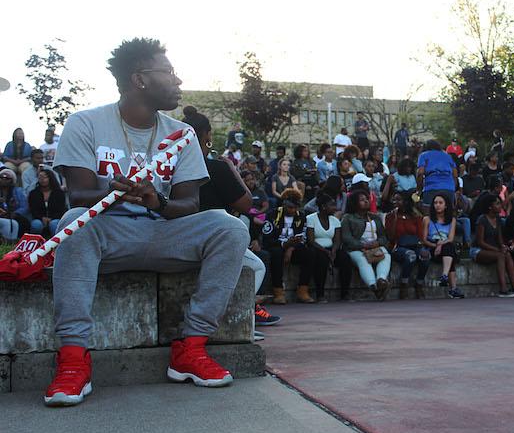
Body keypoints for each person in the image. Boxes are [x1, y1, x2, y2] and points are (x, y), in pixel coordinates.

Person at [46, 38, 250, 406]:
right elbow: (78, 194)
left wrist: (158, 200)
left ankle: (190, 348)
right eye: (169, 72)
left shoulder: (182, 133)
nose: (178, 81)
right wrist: (118, 191)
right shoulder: (85, 123)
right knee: (73, 221)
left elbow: (189, 203)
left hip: (163, 230)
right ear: (140, 79)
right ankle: (74, 359)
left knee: (231, 227)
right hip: (109, 233)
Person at [182, 107, 279, 329]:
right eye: (208, 139)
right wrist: (232, 169)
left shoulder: (172, 166)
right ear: (206, 137)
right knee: (256, 266)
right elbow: (246, 204)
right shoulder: (215, 167)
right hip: (210, 239)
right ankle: (236, 319)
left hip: (177, 236)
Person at [263, 189, 315, 304]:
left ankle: (303, 290)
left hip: (294, 246)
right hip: (276, 245)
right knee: (276, 254)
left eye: (296, 207)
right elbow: (267, 239)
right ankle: (278, 292)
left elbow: (302, 237)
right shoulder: (272, 214)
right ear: (284, 204)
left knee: (310, 254)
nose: (293, 210)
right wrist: (284, 245)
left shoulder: (301, 217)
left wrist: (290, 248)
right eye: (290, 207)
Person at [341, 190, 392, 300]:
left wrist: (377, 243)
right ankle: (373, 286)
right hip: (356, 249)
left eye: (367, 199)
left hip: (375, 247)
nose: (366, 201)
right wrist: (362, 245)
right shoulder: (348, 218)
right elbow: (346, 238)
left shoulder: (375, 217)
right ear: (355, 203)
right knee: (362, 260)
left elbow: (383, 236)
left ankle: (381, 280)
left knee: (386, 255)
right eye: (362, 200)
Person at [472, 194, 514, 298]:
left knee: (507, 254)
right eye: (497, 204)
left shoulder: (498, 219)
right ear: (490, 207)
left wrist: (503, 247)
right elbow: (480, 242)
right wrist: (498, 250)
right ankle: (503, 289)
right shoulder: (482, 220)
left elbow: (499, 239)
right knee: (500, 255)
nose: (500, 206)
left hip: (493, 249)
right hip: (478, 250)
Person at [306, 193, 352, 302]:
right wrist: (326, 252)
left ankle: (345, 293)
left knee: (345, 259)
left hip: (331, 248)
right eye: (332, 205)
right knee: (321, 260)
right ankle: (320, 294)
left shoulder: (335, 221)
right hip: (317, 248)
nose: (335, 208)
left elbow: (337, 240)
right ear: (323, 207)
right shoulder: (311, 218)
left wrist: (334, 251)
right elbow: (311, 240)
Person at [385, 192, 429, 299]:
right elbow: (390, 236)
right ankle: (404, 284)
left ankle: (419, 283)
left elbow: (420, 235)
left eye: (398, 200)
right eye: (394, 200)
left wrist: (422, 247)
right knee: (410, 256)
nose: (395, 202)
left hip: (415, 245)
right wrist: (394, 218)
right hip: (398, 247)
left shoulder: (416, 216)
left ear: (405, 202)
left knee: (425, 256)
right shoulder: (391, 216)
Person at [422, 193, 465, 299]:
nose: (437, 205)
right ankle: (452, 287)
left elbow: (450, 238)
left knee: (448, 247)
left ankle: (445, 276)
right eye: (435, 203)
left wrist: (440, 245)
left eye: (440, 203)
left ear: (446, 205)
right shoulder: (427, 219)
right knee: (450, 250)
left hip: (445, 245)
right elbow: (424, 239)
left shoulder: (452, 220)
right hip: (432, 246)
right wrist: (436, 245)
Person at [416, 139, 458, 209]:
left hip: (431, 188)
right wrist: (453, 188)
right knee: (448, 214)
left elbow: (420, 173)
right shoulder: (448, 156)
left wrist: (419, 189)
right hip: (449, 188)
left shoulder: (423, 155)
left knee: (429, 213)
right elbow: (455, 175)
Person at [28, 168, 67, 237]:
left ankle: (56, 245)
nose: (42, 179)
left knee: (54, 224)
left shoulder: (59, 193)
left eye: (45, 177)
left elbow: (62, 209)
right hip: (39, 218)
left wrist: (51, 218)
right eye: (40, 177)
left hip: (55, 218)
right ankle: (35, 244)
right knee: (36, 225)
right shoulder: (33, 193)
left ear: (50, 178)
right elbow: (32, 210)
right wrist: (41, 218)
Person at [0, 168, 30, 240]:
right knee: (7, 223)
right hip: (1, 214)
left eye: (7, 178)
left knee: (18, 222)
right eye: (1, 178)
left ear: (12, 180)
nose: (3, 180)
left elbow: (24, 207)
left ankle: (13, 241)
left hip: (13, 214)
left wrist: (15, 213)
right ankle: (6, 242)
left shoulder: (18, 191)